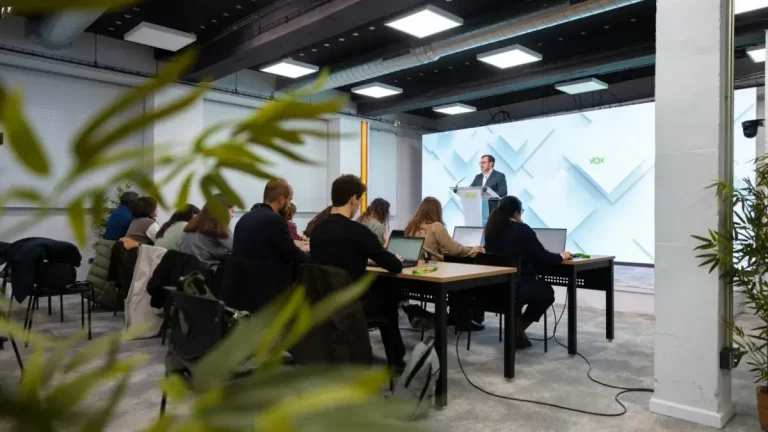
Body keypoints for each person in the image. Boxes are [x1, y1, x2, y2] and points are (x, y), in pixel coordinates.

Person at [310, 175, 404, 369]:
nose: (359, 206)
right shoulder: (358, 232)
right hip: (351, 305)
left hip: (323, 303)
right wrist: (396, 260)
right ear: (353, 199)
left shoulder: (317, 231)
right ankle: (396, 362)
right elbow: (394, 266)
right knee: (388, 304)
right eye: (359, 200)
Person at [484, 196, 573, 349]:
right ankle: (518, 327)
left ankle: (517, 331)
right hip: (517, 286)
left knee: (526, 290)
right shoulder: (522, 229)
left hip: (496, 287)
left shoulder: (491, 230)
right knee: (547, 292)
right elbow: (542, 256)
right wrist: (561, 256)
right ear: (516, 213)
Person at [233, 178, 308, 288]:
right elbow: (293, 255)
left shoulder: (245, 217)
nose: (289, 204)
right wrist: (312, 255)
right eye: (289, 200)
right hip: (268, 287)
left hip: (244, 286)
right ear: (282, 200)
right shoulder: (275, 220)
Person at [405, 197, 483, 261]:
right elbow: (453, 249)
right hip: (432, 267)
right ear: (437, 211)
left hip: (417, 265)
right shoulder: (436, 226)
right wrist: (471, 250)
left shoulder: (412, 225)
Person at [180, 195, 234, 270]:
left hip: (188, 271)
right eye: (232, 211)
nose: (233, 215)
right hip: (208, 273)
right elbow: (238, 249)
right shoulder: (217, 226)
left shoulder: (191, 226)